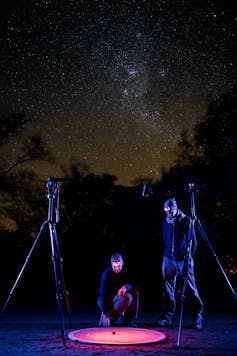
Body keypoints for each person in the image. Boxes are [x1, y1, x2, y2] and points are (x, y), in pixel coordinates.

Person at [157, 198, 204, 329]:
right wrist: (167, 255)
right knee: (168, 288)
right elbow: (165, 240)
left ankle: (197, 318)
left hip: (183, 259)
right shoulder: (164, 222)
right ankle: (167, 317)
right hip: (168, 259)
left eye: (171, 209)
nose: (169, 212)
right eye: (166, 209)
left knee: (190, 288)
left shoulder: (187, 221)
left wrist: (187, 257)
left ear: (175, 207)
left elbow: (193, 243)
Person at [97, 252, 139, 327]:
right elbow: (103, 293)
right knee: (128, 298)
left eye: (119, 266)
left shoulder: (126, 270)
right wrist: (105, 312)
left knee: (135, 291)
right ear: (111, 264)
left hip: (118, 296)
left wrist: (125, 287)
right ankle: (112, 317)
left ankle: (129, 319)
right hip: (106, 298)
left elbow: (133, 283)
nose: (117, 269)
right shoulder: (106, 273)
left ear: (122, 262)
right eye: (115, 266)